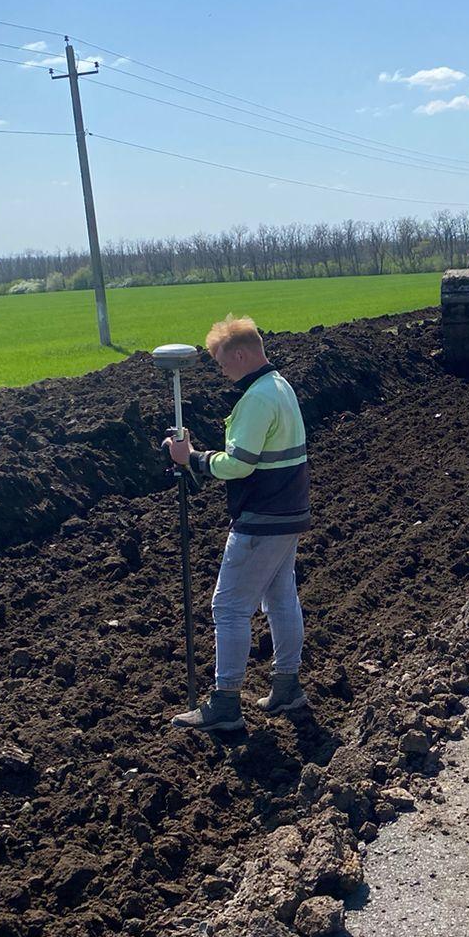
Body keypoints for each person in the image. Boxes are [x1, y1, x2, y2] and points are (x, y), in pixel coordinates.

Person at [163, 314, 311, 733]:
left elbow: (240, 465)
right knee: (281, 597)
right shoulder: (280, 387)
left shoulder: (258, 398)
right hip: (288, 512)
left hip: (261, 518)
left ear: (242, 354)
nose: (220, 370)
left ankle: (225, 702)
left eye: (221, 361)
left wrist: (190, 459)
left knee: (227, 607)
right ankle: (286, 685)